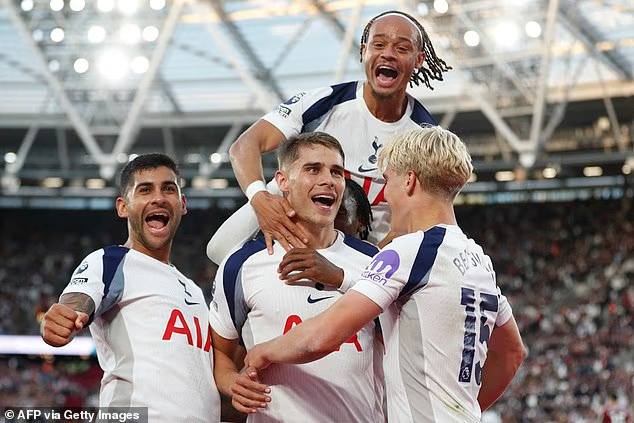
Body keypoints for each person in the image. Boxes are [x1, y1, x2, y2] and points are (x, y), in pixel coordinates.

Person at [245, 126, 526, 422]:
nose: (386, 196)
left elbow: (321, 337)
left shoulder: (410, 250)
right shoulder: (479, 260)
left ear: (409, 181)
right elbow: (512, 352)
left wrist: (263, 352)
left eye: (388, 181)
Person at [206, 10, 451, 264]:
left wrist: (369, 264)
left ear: (419, 59)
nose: (388, 53)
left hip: (370, 257)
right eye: (378, 45)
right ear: (364, 51)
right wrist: (260, 199)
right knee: (220, 249)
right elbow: (244, 145)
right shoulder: (321, 103)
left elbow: (425, 218)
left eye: (401, 48)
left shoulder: (425, 137)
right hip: (303, 237)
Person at [208, 132, 384, 422]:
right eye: (313, 169)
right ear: (282, 182)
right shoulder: (242, 263)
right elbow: (219, 352)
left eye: (336, 172)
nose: (328, 180)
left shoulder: (374, 261)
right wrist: (232, 383)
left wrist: (341, 277)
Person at [40, 153, 221, 423]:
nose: (158, 198)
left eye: (168, 189)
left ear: (182, 204)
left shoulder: (193, 289)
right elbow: (76, 304)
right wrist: (58, 319)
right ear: (123, 207)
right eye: (145, 190)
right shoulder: (110, 262)